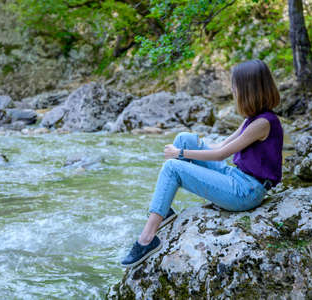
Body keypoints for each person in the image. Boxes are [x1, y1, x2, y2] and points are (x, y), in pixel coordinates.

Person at [121, 59, 283, 268]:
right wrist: (189, 146)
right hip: (237, 177)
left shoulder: (263, 123)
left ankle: (146, 238)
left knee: (172, 166)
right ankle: (164, 209)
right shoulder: (252, 119)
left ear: (247, 89)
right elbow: (221, 144)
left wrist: (179, 154)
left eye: (235, 86)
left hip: (247, 191)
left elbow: (220, 155)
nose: (233, 90)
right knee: (184, 138)